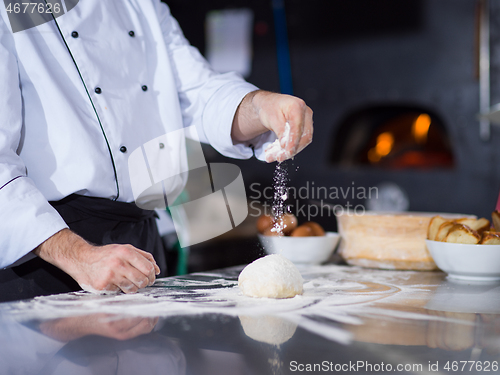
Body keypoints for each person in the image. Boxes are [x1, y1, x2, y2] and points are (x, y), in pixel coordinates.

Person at [0, 0, 313, 300]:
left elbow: (198, 93)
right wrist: (78, 255)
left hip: (141, 247)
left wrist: (259, 106)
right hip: (47, 255)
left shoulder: (142, 4)